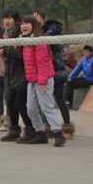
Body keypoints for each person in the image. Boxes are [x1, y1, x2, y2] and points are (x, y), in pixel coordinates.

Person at [20, 16, 66, 147]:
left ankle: (58, 133)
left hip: (44, 79)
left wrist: (42, 81)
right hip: (32, 80)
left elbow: (42, 63)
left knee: (46, 107)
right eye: (22, 24)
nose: (24, 26)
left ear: (34, 26)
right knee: (31, 108)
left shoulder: (40, 40)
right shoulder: (24, 41)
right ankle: (40, 133)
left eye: (27, 23)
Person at [34, 11, 75, 139]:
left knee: (59, 99)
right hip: (44, 71)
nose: (36, 21)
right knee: (45, 101)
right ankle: (48, 127)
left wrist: (37, 28)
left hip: (56, 70)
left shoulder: (53, 29)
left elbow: (46, 38)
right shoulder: (35, 32)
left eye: (38, 18)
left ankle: (67, 127)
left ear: (44, 19)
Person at [0, 10, 36, 143]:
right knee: (10, 102)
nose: (7, 21)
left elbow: (19, 52)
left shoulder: (19, 34)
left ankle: (31, 130)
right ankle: (14, 130)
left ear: (16, 20)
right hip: (10, 73)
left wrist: (5, 50)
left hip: (22, 73)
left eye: (10, 18)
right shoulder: (7, 34)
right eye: (5, 18)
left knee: (20, 103)